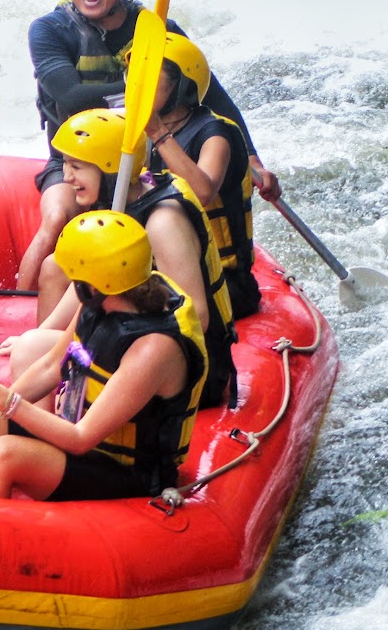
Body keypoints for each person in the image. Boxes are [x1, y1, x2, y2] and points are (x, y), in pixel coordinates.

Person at [17, 0, 279, 304]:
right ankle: (20, 304)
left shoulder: (159, 30)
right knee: (58, 217)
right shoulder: (50, 30)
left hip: (142, 160)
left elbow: (213, 97)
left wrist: (252, 160)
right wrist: (145, 88)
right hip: (75, 159)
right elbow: (71, 98)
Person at [0, 211, 207, 501]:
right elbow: (51, 366)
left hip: (128, 472)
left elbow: (81, 438)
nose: (73, 282)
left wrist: (1, 398)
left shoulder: (154, 348)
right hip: (75, 441)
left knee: (4, 453)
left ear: (97, 281)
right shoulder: (103, 301)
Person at [29, 108, 236, 408]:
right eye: (65, 164)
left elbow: (197, 318)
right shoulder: (116, 205)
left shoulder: (162, 223)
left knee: (31, 350)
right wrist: (46, 331)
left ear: (110, 168)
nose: (67, 176)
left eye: (77, 166)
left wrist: (113, 334)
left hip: (185, 369)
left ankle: (46, 426)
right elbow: (92, 283)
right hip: (133, 337)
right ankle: (48, 417)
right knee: (34, 343)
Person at [143, 33, 261, 319]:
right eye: (135, 77)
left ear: (181, 87)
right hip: (168, 270)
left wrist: (157, 133)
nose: (138, 86)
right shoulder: (140, 134)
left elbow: (203, 192)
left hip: (223, 283)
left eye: (150, 78)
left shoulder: (215, 133)